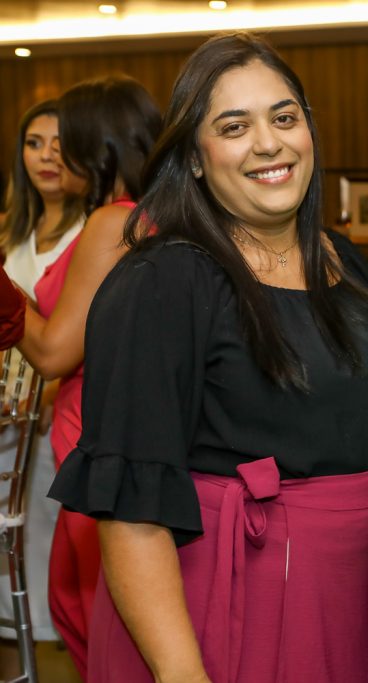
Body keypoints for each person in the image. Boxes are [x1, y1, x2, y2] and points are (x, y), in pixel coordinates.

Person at [48, 32, 368, 683]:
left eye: (284, 117)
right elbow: (131, 511)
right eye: (234, 126)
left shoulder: (348, 264)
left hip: (338, 600)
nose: (268, 143)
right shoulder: (163, 281)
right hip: (213, 605)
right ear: (196, 159)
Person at [0, 76, 161, 678]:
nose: (54, 152)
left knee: (91, 617)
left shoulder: (111, 222)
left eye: (67, 138)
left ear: (96, 147)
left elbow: (53, 353)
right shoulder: (160, 215)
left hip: (88, 436)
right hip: (126, 435)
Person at [0, 100, 84, 652]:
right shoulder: (9, 229)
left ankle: (48, 635)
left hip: (54, 402)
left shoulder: (94, 230)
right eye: (34, 143)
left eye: (59, 143)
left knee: (44, 528)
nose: (46, 156)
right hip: (4, 406)